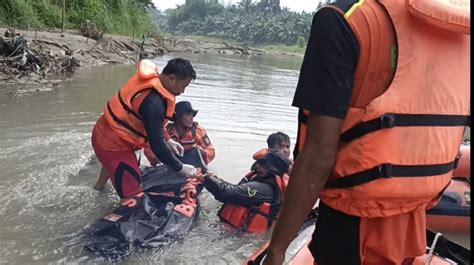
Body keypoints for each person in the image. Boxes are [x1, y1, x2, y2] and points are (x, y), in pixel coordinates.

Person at [263, 0, 469, 264]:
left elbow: (318, 156)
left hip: (352, 223)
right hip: (412, 217)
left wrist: (278, 249)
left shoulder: (342, 19)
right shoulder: (455, 28)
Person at [91, 58, 199, 200]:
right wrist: (179, 167)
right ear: (172, 78)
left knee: (111, 164)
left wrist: (169, 141)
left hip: (104, 130)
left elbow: (153, 126)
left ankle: (97, 190)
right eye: (183, 86)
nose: (183, 91)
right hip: (113, 145)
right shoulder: (153, 102)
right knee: (134, 196)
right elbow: (157, 145)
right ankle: (115, 214)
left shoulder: (152, 81)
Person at [202, 151, 291, 233]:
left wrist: (205, 178)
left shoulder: (264, 189)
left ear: (272, 170)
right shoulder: (265, 185)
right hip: (232, 231)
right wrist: (217, 180)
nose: (258, 166)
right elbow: (238, 190)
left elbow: (225, 193)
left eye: (263, 165)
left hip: (237, 236)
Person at [144, 101, 215, 166]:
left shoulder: (199, 131)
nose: (191, 118)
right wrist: (160, 159)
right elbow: (148, 148)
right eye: (187, 115)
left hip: (194, 167)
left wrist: (203, 153)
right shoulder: (165, 132)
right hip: (167, 167)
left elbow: (211, 150)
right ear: (178, 117)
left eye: (192, 115)